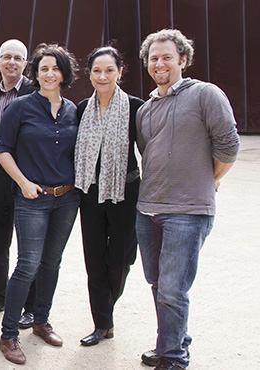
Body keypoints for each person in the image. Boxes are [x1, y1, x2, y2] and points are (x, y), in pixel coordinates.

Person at [135, 29, 239, 370]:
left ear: (182, 59)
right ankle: (172, 342)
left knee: (172, 289)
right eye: (153, 58)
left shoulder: (205, 94)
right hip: (147, 209)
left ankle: (174, 359)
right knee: (158, 284)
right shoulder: (146, 109)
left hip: (188, 211)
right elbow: (147, 154)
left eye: (167, 56)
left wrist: (210, 179)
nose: (159, 63)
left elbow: (228, 146)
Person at [0, 43, 80, 364]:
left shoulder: (74, 110)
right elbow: (2, 149)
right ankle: (9, 334)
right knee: (28, 264)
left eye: (55, 68)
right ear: (36, 72)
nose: (49, 73)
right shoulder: (20, 107)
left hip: (67, 198)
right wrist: (24, 182)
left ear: (63, 74)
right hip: (32, 198)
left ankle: (41, 320)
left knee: (52, 262)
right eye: (43, 68)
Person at [74, 46, 145, 347]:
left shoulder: (135, 107)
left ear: (120, 71)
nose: (103, 76)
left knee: (120, 259)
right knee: (94, 260)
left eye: (109, 70)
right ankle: (103, 323)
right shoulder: (81, 109)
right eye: (96, 71)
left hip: (124, 192)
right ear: (89, 74)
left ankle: (106, 309)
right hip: (89, 192)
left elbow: (148, 152)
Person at [0, 39, 38, 324]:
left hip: (29, 182)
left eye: (18, 58)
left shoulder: (36, 91)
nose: (12, 62)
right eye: (7, 57)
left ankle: (30, 304)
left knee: (29, 250)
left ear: (25, 64)